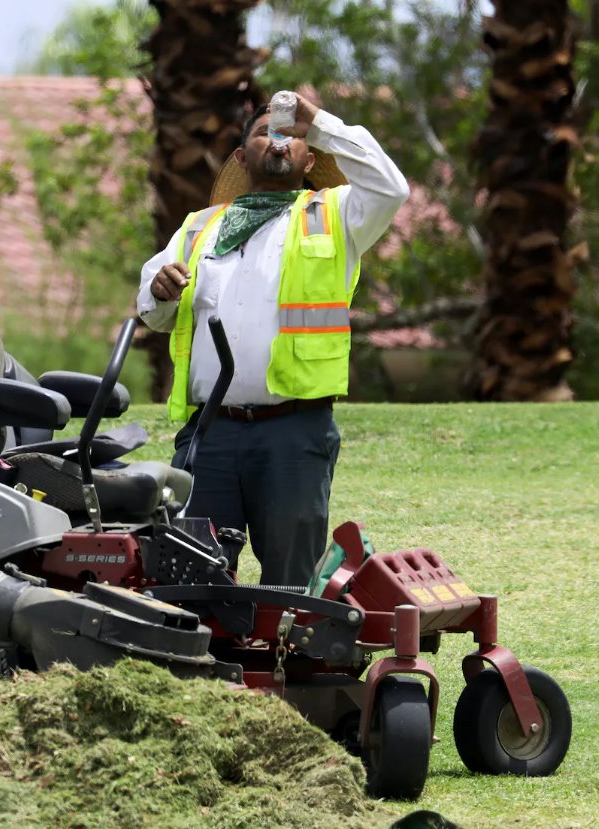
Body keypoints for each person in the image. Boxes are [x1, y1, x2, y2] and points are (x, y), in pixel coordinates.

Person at [135, 91, 410, 588]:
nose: (280, 140)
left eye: (293, 135)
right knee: (190, 574)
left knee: (288, 582)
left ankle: (286, 664)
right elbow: (151, 309)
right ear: (242, 157)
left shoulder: (337, 214)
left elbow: (391, 187)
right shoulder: (199, 228)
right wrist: (159, 293)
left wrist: (320, 122)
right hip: (210, 434)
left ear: (310, 156)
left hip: (293, 432)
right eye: (266, 132)